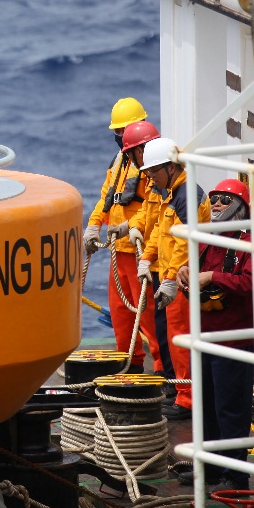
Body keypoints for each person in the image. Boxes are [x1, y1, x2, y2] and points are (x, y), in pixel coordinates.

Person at [177, 178, 254, 490]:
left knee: (230, 409)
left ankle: (235, 477)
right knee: (206, 406)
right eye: (214, 199)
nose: (217, 205)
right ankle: (210, 467)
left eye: (225, 200)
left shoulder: (248, 244)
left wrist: (212, 277)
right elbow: (193, 272)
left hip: (234, 342)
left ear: (240, 207)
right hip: (205, 339)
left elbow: (250, 282)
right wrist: (184, 273)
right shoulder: (205, 242)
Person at [134, 136, 210, 420]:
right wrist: (146, 257)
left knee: (181, 340)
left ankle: (188, 400)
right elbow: (159, 231)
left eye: (154, 171)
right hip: (172, 278)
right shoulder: (173, 194)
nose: (151, 177)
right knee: (174, 337)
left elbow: (184, 243)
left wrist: (168, 279)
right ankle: (182, 393)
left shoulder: (186, 196)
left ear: (171, 167)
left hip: (182, 281)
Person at [84, 113, 163, 375]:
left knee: (147, 313)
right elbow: (106, 198)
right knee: (121, 313)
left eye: (123, 130)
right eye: (117, 132)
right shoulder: (119, 162)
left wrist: (130, 227)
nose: (120, 136)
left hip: (141, 249)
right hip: (118, 249)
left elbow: (154, 206)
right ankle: (130, 362)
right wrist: (94, 225)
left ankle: (163, 368)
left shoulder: (152, 167)